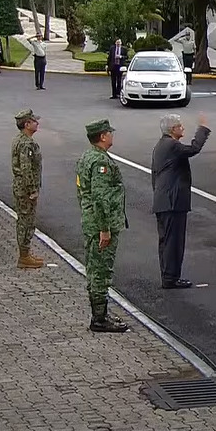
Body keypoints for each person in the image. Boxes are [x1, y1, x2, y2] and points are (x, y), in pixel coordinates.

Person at [75, 119, 129, 332]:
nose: (112, 135)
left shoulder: (89, 156)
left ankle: (102, 313)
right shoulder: (100, 163)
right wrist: (104, 229)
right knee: (101, 271)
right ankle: (99, 318)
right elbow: (100, 198)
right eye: (109, 133)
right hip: (100, 225)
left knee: (95, 268)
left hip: (91, 221)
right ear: (103, 136)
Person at [151, 113, 211, 289]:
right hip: (172, 202)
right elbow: (193, 149)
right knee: (173, 242)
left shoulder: (161, 145)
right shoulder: (172, 145)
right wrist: (203, 129)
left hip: (164, 200)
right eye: (180, 126)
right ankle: (171, 277)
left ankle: (168, 275)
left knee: (166, 241)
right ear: (173, 129)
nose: (183, 128)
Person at [12, 109, 44, 269]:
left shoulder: (21, 139)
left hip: (20, 187)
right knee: (26, 221)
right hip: (25, 189)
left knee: (25, 220)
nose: (37, 123)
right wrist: (32, 190)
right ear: (27, 124)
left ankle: (26, 253)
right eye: (34, 121)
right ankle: (24, 256)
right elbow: (26, 168)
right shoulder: (26, 143)